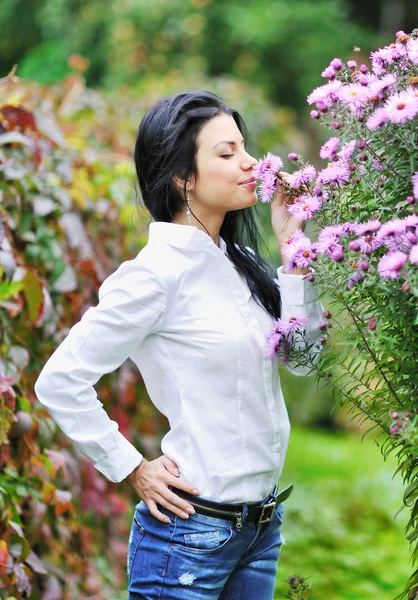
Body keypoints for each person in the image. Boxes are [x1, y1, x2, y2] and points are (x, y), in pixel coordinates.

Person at [34, 91, 325, 599]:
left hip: (260, 531)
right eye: (226, 152)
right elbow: (60, 380)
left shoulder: (239, 264)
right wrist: (132, 468)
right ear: (182, 177)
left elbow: (304, 360)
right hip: (189, 539)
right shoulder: (153, 276)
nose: (250, 162)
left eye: (244, 148)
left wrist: (293, 250)